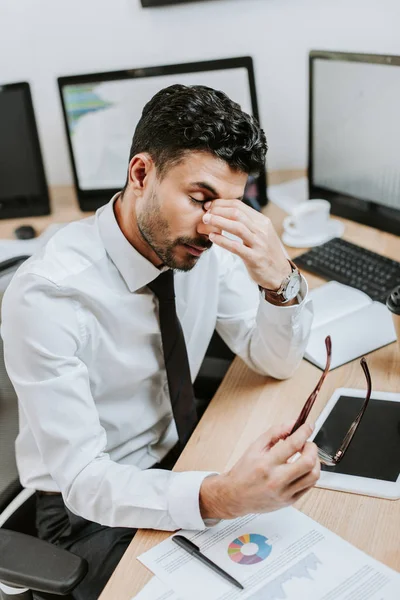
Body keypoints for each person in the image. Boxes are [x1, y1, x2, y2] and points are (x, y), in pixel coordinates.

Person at [2, 84, 317, 600]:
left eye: (230, 207)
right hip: (87, 509)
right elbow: (85, 481)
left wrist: (278, 279)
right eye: (200, 199)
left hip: (183, 457)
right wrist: (222, 496)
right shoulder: (48, 296)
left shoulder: (199, 245)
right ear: (141, 173)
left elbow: (275, 360)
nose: (213, 226)